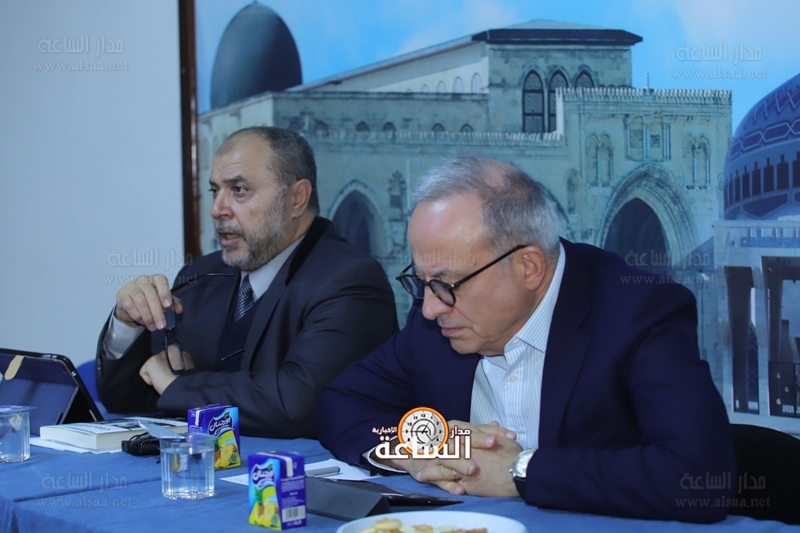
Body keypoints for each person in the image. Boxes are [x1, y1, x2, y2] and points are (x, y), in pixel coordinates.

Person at [316, 154, 736, 523]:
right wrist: (415, 445)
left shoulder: (638, 312)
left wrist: (522, 471)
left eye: (446, 284)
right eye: (421, 282)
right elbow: (341, 401)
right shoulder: (436, 320)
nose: (429, 307)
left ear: (528, 267)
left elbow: (698, 475)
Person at [95, 126, 398, 438]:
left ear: (296, 198)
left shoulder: (350, 280)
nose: (217, 209)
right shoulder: (198, 275)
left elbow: (299, 405)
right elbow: (130, 398)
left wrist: (181, 384)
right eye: (215, 191)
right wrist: (126, 323)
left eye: (238, 190)